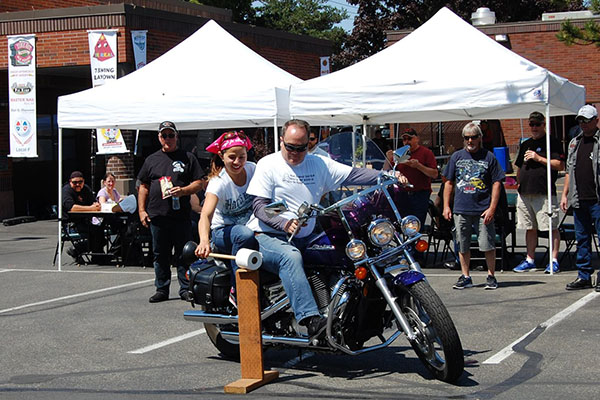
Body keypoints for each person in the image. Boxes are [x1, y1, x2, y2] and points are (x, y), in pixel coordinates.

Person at [246, 119, 407, 336]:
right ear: (281, 140)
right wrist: (284, 222)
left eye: (301, 147)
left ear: (308, 145)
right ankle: (311, 320)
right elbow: (260, 206)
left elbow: (353, 174)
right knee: (290, 257)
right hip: (268, 235)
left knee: (342, 249)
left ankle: (347, 312)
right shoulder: (269, 164)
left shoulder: (318, 164)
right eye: (290, 146)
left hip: (305, 233)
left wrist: (387, 175)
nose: (295, 152)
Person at [138, 121, 205, 303]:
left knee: (183, 254)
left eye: (171, 135)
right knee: (160, 254)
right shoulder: (151, 160)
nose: (168, 139)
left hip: (181, 214)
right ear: (159, 138)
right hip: (157, 215)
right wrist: (142, 210)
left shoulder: (188, 157)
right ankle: (162, 289)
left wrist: (183, 191)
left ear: (177, 136)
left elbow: (199, 182)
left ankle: (185, 288)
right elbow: (143, 186)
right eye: (164, 135)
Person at [194, 131, 259, 302]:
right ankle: (237, 290)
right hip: (223, 231)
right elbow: (206, 215)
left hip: (251, 226)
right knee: (244, 234)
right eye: (232, 157)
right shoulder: (218, 183)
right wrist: (204, 241)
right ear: (222, 157)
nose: (237, 162)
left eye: (242, 157)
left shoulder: (253, 169)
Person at [443, 122, 505, 290]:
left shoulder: (489, 157)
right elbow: (448, 182)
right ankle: (466, 276)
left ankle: (491, 276)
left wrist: (492, 208)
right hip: (461, 209)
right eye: (467, 138)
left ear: (480, 138)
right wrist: (446, 207)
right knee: (462, 244)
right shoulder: (456, 157)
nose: (470, 140)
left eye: (473, 137)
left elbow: (497, 183)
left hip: (482, 210)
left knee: (487, 244)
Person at [512, 112, 565, 274]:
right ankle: (530, 259)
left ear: (544, 125)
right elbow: (519, 166)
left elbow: (560, 165)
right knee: (529, 227)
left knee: (551, 226)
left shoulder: (552, 142)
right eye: (531, 124)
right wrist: (518, 181)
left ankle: (554, 260)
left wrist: (538, 158)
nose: (534, 127)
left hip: (544, 193)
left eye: (537, 124)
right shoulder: (526, 144)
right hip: (525, 192)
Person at [560, 104, 600, 291]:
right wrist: (565, 194)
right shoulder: (574, 143)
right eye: (580, 121)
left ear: (595, 121)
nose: (582, 124)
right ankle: (583, 275)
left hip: (597, 200)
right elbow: (569, 170)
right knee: (581, 238)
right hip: (579, 199)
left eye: (586, 120)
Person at [395, 128, 438, 226]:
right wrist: (387, 159)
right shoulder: (399, 154)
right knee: (403, 225)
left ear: (417, 139)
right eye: (404, 139)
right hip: (403, 194)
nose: (407, 142)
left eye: (409, 139)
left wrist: (419, 166)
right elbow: (387, 169)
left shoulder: (426, 153)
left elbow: (434, 174)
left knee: (416, 226)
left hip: (420, 194)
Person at [61, 171, 103, 260]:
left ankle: (93, 254)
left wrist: (96, 205)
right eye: (74, 182)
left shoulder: (86, 189)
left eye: (80, 182)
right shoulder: (66, 190)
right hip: (71, 223)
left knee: (101, 229)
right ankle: (86, 252)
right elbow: (71, 207)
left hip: (85, 220)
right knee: (97, 233)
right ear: (70, 182)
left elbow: (93, 202)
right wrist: (91, 208)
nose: (77, 184)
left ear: (83, 181)